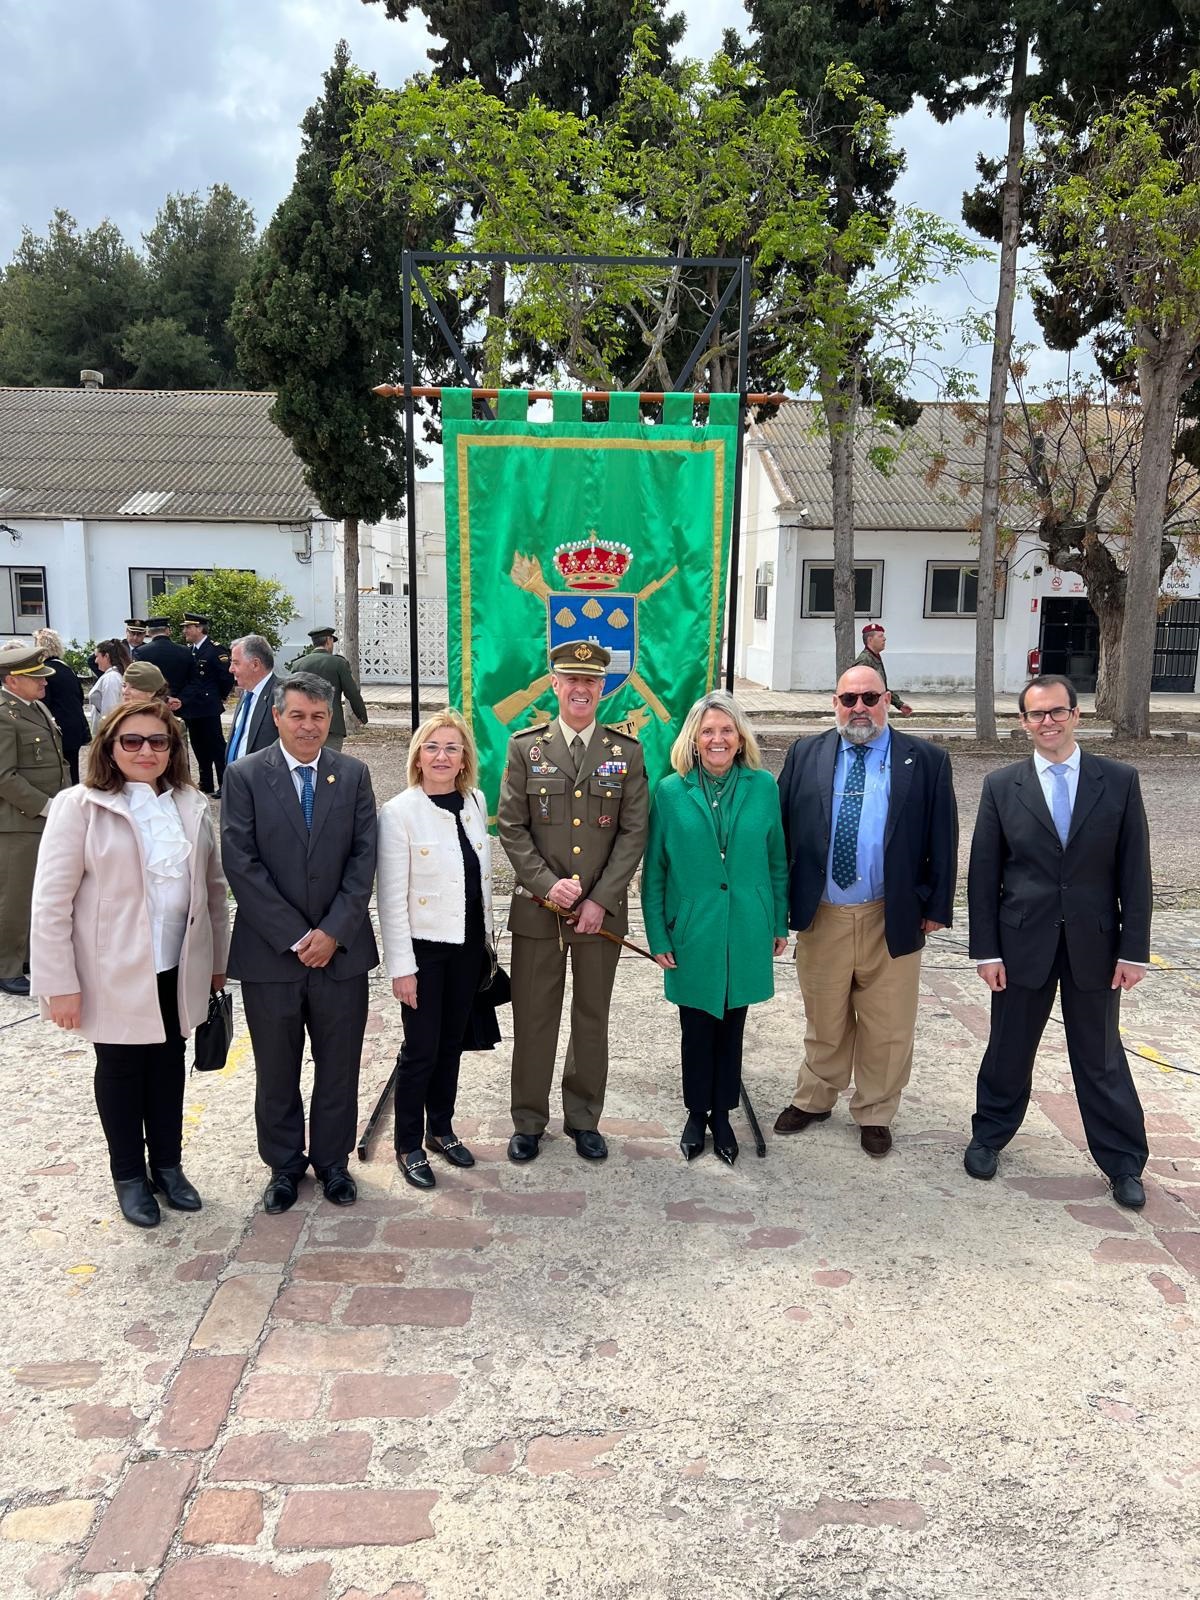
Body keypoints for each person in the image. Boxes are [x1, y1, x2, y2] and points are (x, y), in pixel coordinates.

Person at [29, 700, 229, 1227]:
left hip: (177, 965)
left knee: (168, 1067)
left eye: (157, 741)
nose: (146, 751)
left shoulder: (189, 803)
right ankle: (129, 1176)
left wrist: (215, 964)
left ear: (173, 749)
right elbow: (51, 902)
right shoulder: (80, 805)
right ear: (110, 748)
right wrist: (59, 984)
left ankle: (167, 1165)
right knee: (120, 1071)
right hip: (111, 969)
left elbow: (212, 889)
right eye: (132, 741)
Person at [964, 675, 1152, 1209]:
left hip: (1096, 945)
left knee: (1100, 1056)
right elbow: (984, 873)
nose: (1047, 722)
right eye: (1036, 714)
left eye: (1057, 711)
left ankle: (1122, 1162)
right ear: (1023, 722)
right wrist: (987, 951)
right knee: (1008, 1047)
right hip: (1022, 944)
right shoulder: (1002, 786)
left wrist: (1134, 949)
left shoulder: (1117, 780)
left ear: (1076, 714)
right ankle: (989, 1135)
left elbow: (1135, 870)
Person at [774, 663, 957, 1156]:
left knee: (888, 1023)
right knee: (825, 1017)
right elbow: (783, 834)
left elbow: (943, 836)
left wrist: (937, 904)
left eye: (869, 698)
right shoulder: (805, 753)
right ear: (834, 702)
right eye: (848, 699)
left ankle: (876, 1110)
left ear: (887, 700)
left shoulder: (926, 759)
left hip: (889, 911)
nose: (859, 709)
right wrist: (778, 906)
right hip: (823, 912)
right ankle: (814, 1099)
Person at [221, 672, 379, 1214]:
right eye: (297, 715)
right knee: (276, 1066)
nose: (308, 726)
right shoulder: (244, 776)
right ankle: (284, 1165)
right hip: (272, 955)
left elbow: (364, 859)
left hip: (342, 954)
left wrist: (333, 932)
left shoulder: (353, 774)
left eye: (318, 716)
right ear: (277, 717)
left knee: (340, 1064)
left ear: (329, 719)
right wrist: (295, 936)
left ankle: (332, 1161)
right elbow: (240, 862)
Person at [497, 639, 649, 1164]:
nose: (581, 689)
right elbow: (512, 827)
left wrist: (600, 899)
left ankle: (584, 1118)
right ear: (556, 686)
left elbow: (634, 832)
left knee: (591, 1017)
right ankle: (529, 1121)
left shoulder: (624, 752)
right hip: (540, 909)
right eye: (571, 680)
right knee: (534, 1016)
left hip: (597, 918)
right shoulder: (525, 748)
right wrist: (546, 885)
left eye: (591, 681)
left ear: (602, 688)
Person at [642, 692, 789, 1165]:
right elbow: (656, 872)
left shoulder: (763, 786)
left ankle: (722, 1115)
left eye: (727, 730)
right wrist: (659, 935)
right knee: (697, 1024)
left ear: (740, 736)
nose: (718, 739)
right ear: (695, 738)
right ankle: (695, 1112)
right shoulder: (670, 790)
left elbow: (776, 861)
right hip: (693, 930)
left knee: (733, 1025)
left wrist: (778, 919)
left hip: (747, 925)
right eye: (709, 731)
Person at [377, 709, 493, 1189]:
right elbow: (390, 898)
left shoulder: (475, 801)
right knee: (420, 1049)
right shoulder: (399, 811)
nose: (442, 756)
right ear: (417, 757)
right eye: (432, 747)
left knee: (452, 1045)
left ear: (464, 756)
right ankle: (407, 1144)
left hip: (467, 947)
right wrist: (401, 968)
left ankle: (439, 1129)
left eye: (452, 747)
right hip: (425, 951)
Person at [0, 645, 69, 996]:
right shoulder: (3, 714)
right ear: (13, 680)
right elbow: (4, 777)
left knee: (39, 891)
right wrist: (47, 806)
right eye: (35, 678)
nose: (44, 683)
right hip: (18, 822)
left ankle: (26, 955)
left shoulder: (36, 707)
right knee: (15, 894)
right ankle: (6, 965)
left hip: (46, 818)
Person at [287, 627, 368, 752]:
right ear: (329, 641)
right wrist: (361, 715)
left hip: (304, 724)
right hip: (332, 725)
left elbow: (290, 695)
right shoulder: (338, 663)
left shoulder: (298, 664)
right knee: (331, 763)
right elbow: (352, 693)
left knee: (307, 760)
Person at [179, 612, 234, 797]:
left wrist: (221, 696)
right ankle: (206, 782)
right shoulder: (190, 650)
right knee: (198, 746)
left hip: (209, 707)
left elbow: (226, 677)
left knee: (216, 746)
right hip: (192, 708)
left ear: (199, 628)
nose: (185, 630)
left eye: (188, 627)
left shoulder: (214, 650)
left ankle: (224, 783)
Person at [34, 628, 91, 785]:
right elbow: (79, 696)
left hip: (58, 728)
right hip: (76, 726)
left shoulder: (44, 671)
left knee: (61, 772)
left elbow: (44, 703)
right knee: (73, 771)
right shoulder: (67, 668)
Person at [225, 636, 278, 764]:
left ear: (255, 665)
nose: (230, 669)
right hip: (236, 779)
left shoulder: (281, 695)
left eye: (236, 663)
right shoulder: (246, 693)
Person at [853, 623, 913, 716]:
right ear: (870, 639)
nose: (884, 639)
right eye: (880, 636)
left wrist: (899, 704)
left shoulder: (874, 657)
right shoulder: (864, 661)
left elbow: (881, 688)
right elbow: (856, 688)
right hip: (867, 711)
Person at [134, 617, 196, 704]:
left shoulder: (141, 652)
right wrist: (180, 699)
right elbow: (194, 680)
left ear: (149, 632)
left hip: (153, 705)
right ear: (167, 631)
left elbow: (139, 681)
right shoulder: (185, 651)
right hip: (180, 705)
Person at [88, 638, 132, 729]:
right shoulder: (113, 675)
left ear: (106, 656)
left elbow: (110, 710)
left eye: (97, 656)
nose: (95, 661)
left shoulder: (111, 678)